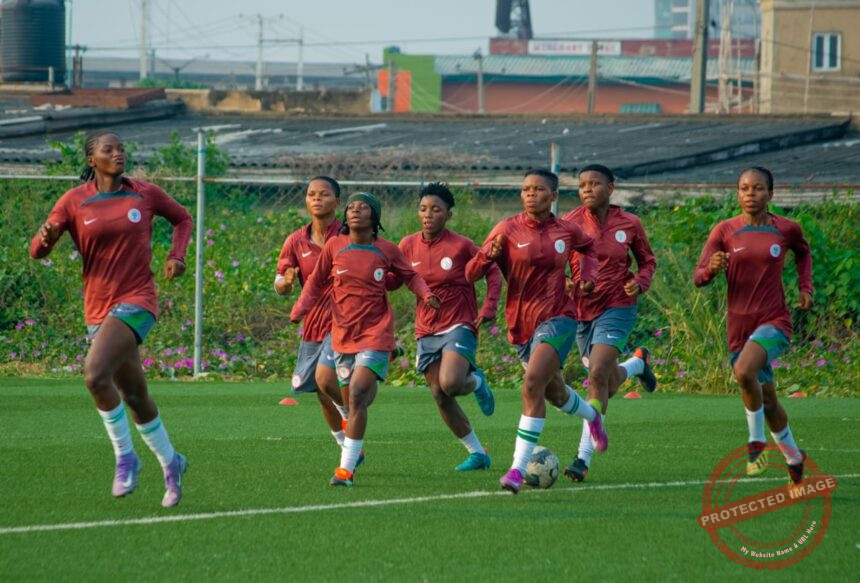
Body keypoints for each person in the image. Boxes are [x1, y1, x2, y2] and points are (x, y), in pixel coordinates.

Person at [29, 130, 192, 507]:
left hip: (137, 300)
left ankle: (125, 457)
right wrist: (46, 237)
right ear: (92, 160)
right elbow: (37, 251)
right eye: (109, 150)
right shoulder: (74, 201)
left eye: (121, 148)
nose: (119, 153)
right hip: (97, 309)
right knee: (134, 395)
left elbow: (182, 219)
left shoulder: (145, 194)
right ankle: (172, 462)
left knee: (94, 374)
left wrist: (177, 256)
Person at [466, 169, 608, 494]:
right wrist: (486, 256)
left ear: (553, 196)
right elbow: (470, 273)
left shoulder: (566, 230)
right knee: (554, 394)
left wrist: (587, 277)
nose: (531, 194)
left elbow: (589, 250)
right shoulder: (506, 229)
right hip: (521, 326)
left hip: (559, 318)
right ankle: (592, 416)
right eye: (526, 189)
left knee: (531, 384)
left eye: (538, 189)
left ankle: (516, 470)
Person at [291, 192, 439, 487]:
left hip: (375, 332)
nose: (355, 210)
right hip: (343, 333)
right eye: (351, 207)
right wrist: (299, 309)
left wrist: (426, 294)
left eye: (363, 207)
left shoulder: (387, 249)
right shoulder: (334, 246)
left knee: (358, 393)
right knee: (340, 392)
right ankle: (354, 432)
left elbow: (410, 276)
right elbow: (316, 282)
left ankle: (345, 471)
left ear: (375, 216)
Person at [694, 166, 813, 484]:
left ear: (770, 194)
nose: (751, 194)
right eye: (745, 188)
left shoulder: (786, 229)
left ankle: (756, 445)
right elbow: (699, 277)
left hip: (774, 322)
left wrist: (806, 288)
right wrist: (711, 269)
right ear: (738, 194)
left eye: (758, 188)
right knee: (768, 400)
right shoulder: (724, 231)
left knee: (744, 371)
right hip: (739, 327)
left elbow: (803, 254)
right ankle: (794, 457)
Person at [389, 182, 502, 471]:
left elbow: (492, 270)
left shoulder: (461, 246)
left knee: (450, 383)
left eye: (436, 209)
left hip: (459, 323)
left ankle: (477, 382)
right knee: (440, 395)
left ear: (448, 215)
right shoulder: (407, 245)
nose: (428, 214)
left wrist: (488, 307)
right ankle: (477, 453)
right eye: (423, 209)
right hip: (426, 329)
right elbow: (395, 281)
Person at [561, 164, 658, 482]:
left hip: (617, 306)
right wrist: (564, 282)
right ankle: (637, 365)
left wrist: (640, 282)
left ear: (611, 188)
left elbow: (648, 261)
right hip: (580, 310)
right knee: (606, 381)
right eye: (582, 185)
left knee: (597, 373)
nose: (588, 189)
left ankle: (582, 459)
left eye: (595, 184)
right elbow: (555, 264)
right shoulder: (569, 223)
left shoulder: (629, 223)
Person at [275, 176, 352, 451]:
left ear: (338, 201)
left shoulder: (349, 236)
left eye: (324, 194)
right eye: (311, 194)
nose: (316, 198)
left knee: (326, 378)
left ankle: (352, 421)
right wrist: (285, 284)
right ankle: (346, 444)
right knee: (321, 391)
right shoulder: (295, 241)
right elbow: (280, 281)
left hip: (345, 320)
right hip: (314, 322)